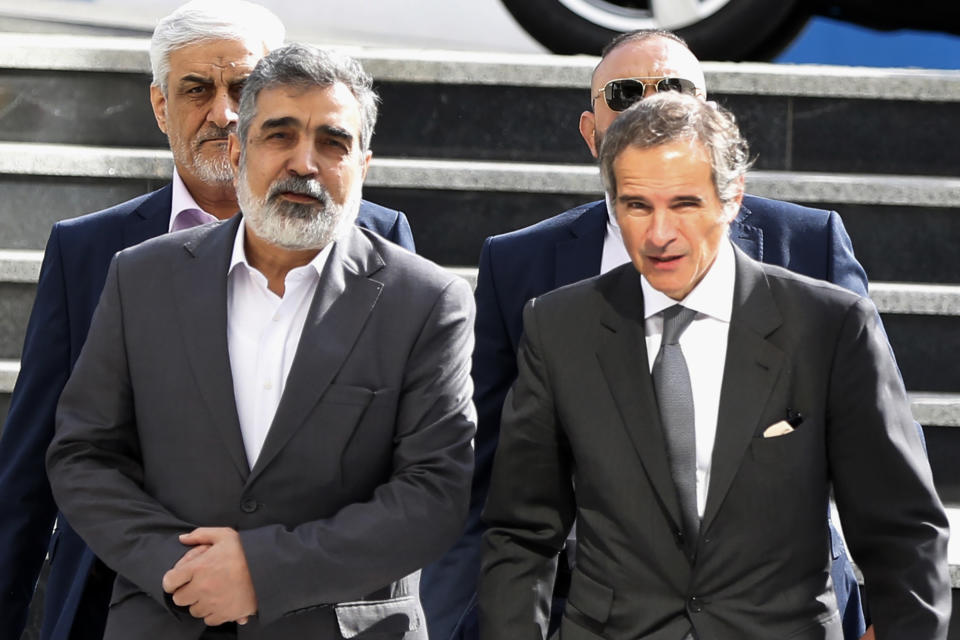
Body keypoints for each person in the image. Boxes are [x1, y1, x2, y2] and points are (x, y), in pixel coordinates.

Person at [421, 29, 871, 640]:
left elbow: (879, 446)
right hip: (583, 610)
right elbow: (490, 473)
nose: (651, 106)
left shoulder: (808, 244)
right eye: (626, 92)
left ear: (712, 119)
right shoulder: (519, 266)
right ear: (590, 133)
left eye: (675, 88)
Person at [0, 3, 414, 639]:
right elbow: (36, 459)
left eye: (243, 90)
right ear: (161, 108)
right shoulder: (90, 252)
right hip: (125, 599)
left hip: (315, 606)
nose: (221, 113)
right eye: (196, 90)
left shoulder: (376, 238)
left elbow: (410, 455)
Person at [478, 92, 949, 640]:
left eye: (683, 204)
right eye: (636, 206)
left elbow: (903, 525)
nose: (658, 235)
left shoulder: (829, 325)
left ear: (732, 199)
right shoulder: (559, 327)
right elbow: (520, 532)